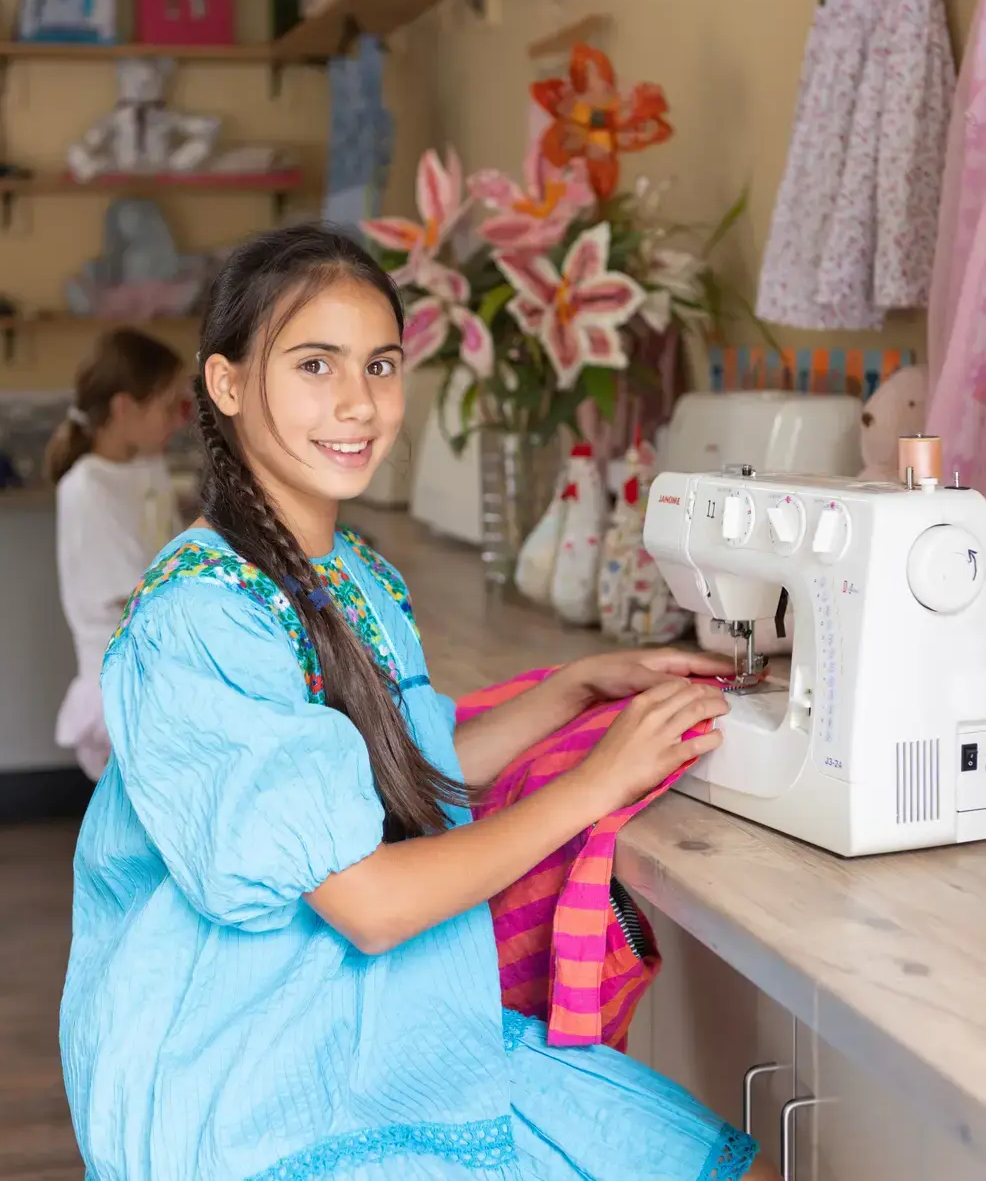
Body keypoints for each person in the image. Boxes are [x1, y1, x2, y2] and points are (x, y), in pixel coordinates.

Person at [60, 225, 779, 1181]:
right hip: (255, 1073)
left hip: (388, 1016)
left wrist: (570, 688)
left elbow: (402, 770)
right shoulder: (202, 618)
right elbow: (370, 905)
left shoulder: (353, 571)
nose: (358, 403)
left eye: (381, 364)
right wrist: (596, 782)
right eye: (315, 365)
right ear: (226, 385)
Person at [48, 327, 185, 780]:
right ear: (124, 408)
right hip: (123, 686)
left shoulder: (149, 467)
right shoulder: (87, 488)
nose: (177, 421)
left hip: (160, 672)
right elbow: (141, 594)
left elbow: (176, 555)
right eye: (169, 407)